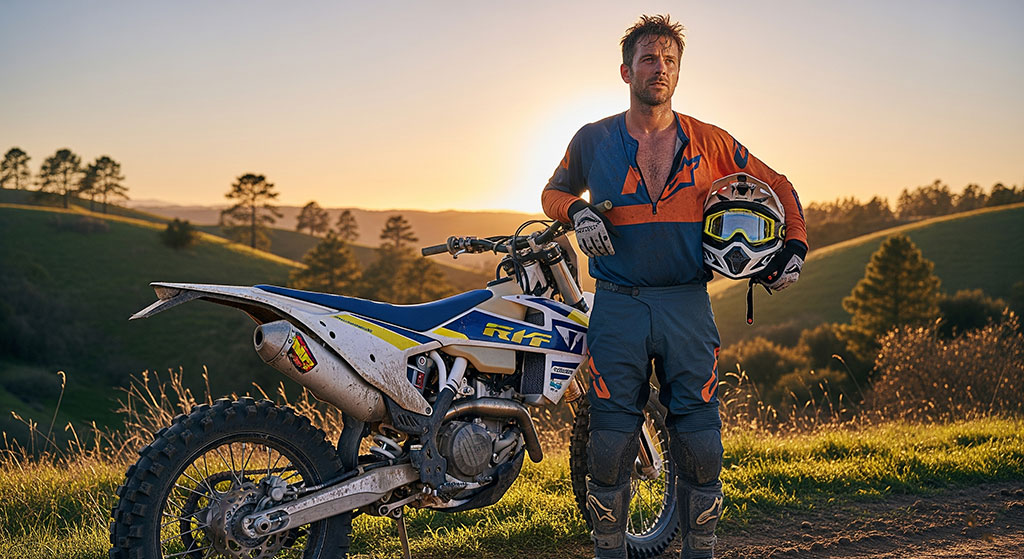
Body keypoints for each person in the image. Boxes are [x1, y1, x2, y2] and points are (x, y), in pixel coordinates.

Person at [541, 14, 808, 559]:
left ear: (679, 73)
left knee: (700, 441)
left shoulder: (711, 141)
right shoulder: (593, 139)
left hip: (687, 303)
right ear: (626, 71)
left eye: (668, 60)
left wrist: (795, 246)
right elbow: (552, 193)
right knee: (609, 443)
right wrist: (577, 212)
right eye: (648, 59)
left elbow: (779, 185)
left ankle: (699, 552)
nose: (658, 68)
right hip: (618, 305)